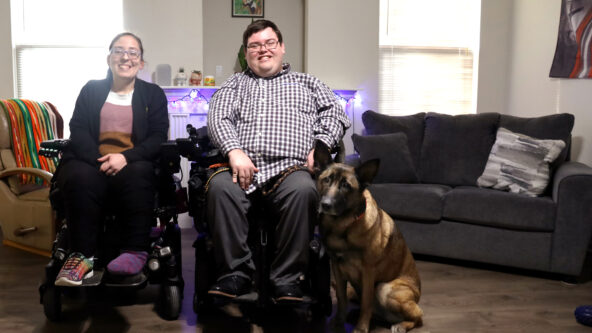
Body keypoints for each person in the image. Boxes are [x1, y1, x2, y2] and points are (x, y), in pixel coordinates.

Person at [206, 19, 350, 302]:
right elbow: (217, 117)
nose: (263, 50)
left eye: (270, 43)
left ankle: (287, 280)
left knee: (303, 190)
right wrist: (234, 151)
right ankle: (235, 274)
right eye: (255, 46)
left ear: (282, 48)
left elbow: (335, 113)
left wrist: (320, 146)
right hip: (241, 167)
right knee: (220, 189)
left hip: (291, 168)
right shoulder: (234, 85)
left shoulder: (307, 82)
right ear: (246, 53)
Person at [54, 32, 169, 286]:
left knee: (140, 172)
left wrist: (124, 157)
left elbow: (157, 137)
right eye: (118, 50)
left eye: (132, 52)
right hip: (91, 160)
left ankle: (134, 251)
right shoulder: (91, 89)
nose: (125, 57)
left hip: (132, 162)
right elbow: (79, 129)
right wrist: (100, 160)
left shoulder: (152, 94)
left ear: (141, 62)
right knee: (77, 177)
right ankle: (81, 256)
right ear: (109, 58)